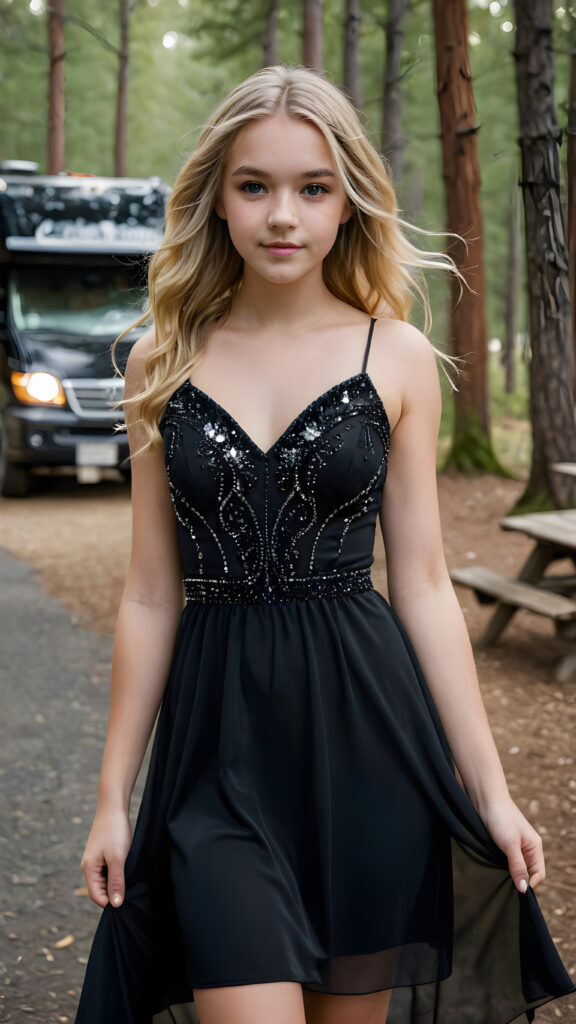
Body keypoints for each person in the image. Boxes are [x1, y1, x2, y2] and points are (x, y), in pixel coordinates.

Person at [75, 64, 574, 1024]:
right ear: (215, 201)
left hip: (369, 747)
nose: (282, 215)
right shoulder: (159, 360)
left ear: (349, 203)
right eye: (254, 185)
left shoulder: (395, 356)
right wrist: (112, 797)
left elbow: (424, 585)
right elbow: (148, 592)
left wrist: (492, 790)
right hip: (217, 754)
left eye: (313, 187)